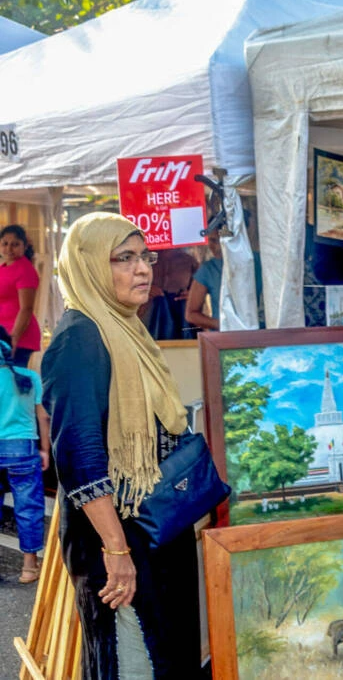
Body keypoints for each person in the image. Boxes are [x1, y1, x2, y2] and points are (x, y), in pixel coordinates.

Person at [42, 213, 201, 678]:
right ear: (90, 265)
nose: (143, 268)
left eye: (145, 257)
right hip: (117, 538)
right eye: (124, 258)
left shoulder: (127, 329)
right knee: (135, 658)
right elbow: (79, 457)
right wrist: (116, 551)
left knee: (167, 654)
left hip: (151, 529)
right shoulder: (79, 338)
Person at [0, 325, 50, 584]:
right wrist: (45, 450)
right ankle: (29, 568)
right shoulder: (29, 377)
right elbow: (43, 417)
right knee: (28, 506)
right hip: (23, 448)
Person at [0, 224, 42, 367]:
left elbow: (26, 308)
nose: (9, 248)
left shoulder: (25, 270)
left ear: (25, 246)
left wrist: (14, 339)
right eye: (5, 244)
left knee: (11, 378)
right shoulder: (3, 268)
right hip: (4, 334)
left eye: (15, 244)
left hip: (18, 337)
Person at [185, 227, 222, 331]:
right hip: (224, 336)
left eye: (216, 240)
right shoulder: (209, 269)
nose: (211, 245)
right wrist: (224, 325)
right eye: (210, 240)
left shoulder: (258, 261)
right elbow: (191, 314)